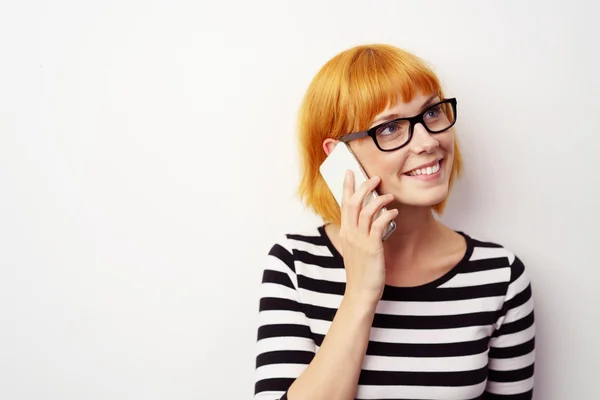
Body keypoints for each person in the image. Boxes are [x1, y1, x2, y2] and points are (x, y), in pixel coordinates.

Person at [254, 44, 535, 400]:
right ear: (339, 154)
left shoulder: (500, 276)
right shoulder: (295, 264)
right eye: (389, 128)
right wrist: (360, 293)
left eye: (432, 112)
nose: (428, 141)